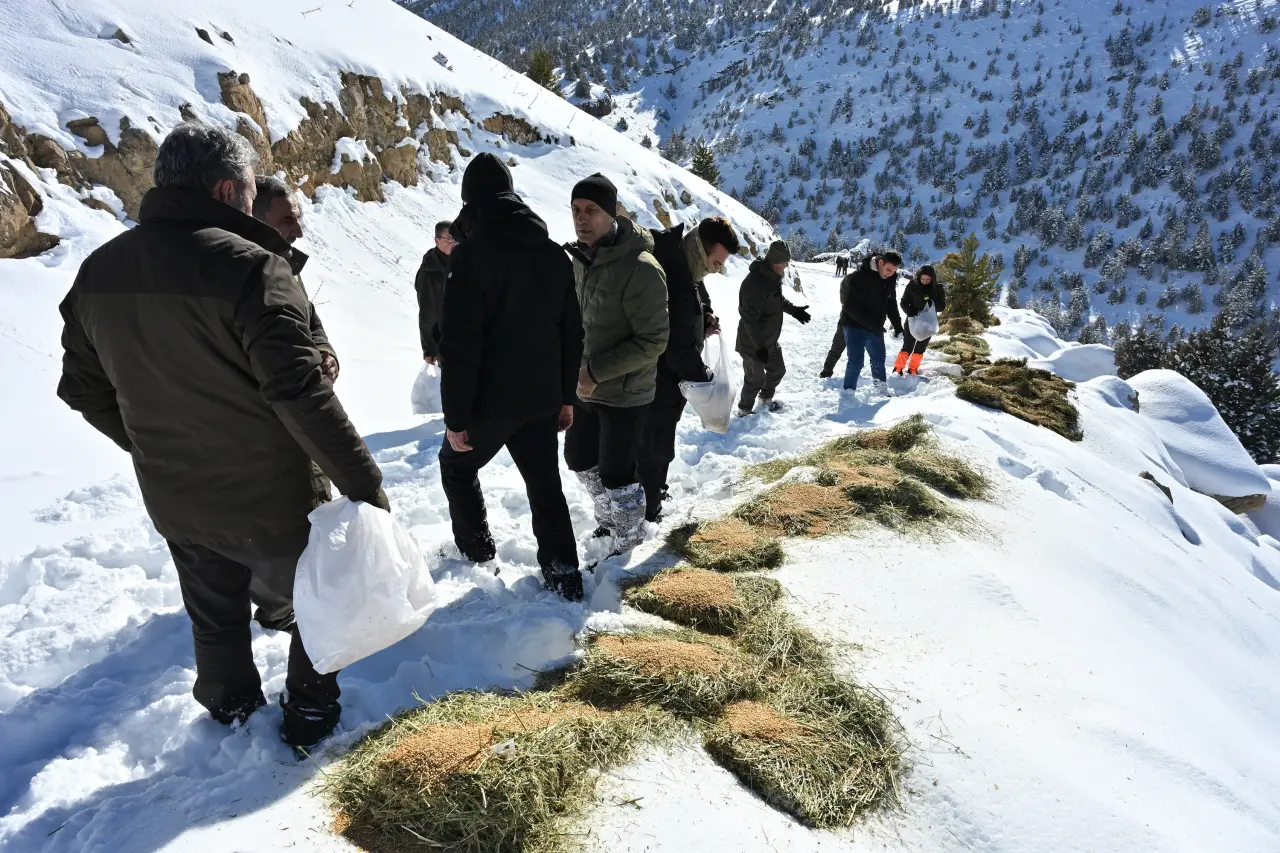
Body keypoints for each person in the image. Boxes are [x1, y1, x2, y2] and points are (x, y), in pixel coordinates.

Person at [57, 123, 387, 749]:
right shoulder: (251, 267)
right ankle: (310, 712)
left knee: (214, 613)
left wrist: (152, 442)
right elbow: (300, 394)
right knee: (319, 598)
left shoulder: (99, 271)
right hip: (271, 494)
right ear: (230, 189)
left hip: (175, 493)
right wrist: (365, 485)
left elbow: (82, 389)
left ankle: (231, 712)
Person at [437, 153, 586, 600]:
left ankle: (477, 552)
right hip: (541, 398)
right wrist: (564, 398)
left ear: (471, 203)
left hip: (490, 403)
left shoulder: (471, 258)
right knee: (545, 487)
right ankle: (564, 576)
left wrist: (456, 416)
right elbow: (571, 334)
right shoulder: (553, 254)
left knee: (456, 466)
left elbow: (460, 345)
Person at [563, 173, 669, 556]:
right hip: (585, 385)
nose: (582, 218)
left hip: (625, 392)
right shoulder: (581, 260)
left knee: (617, 475)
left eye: (592, 210)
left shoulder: (641, 267)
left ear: (612, 215)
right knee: (577, 458)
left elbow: (654, 340)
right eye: (576, 210)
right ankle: (610, 526)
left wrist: (595, 371)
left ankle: (628, 547)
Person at [640, 216, 740, 522]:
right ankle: (648, 504)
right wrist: (707, 382)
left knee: (659, 441)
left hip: (668, 378)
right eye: (715, 261)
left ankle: (654, 489)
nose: (716, 269)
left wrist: (705, 316)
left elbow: (698, 298)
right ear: (699, 249)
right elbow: (676, 349)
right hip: (656, 378)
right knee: (653, 445)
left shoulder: (686, 267)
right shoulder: (671, 274)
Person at [252, 175, 339, 383]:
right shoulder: (245, 275)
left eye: (297, 219)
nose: (298, 232)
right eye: (287, 220)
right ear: (255, 220)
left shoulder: (285, 264)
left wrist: (325, 352)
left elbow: (308, 314)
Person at [736, 239, 810, 415]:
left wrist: (795, 311)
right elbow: (749, 318)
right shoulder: (755, 282)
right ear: (775, 262)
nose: (786, 266)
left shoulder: (772, 277)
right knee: (755, 379)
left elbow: (777, 301)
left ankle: (765, 400)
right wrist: (759, 347)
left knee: (777, 370)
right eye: (784, 262)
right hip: (752, 342)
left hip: (769, 340)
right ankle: (744, 410)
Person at [840, 250, 904, 393]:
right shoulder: (860, 277)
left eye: (894, 271)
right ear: (880, 262)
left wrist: (898, 326)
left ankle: (881, 391)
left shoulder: (890, 279)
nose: (890, 273)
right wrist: (872, 325)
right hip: (854, 324)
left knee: (878, 360)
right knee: (856, 362)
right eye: (888, 269)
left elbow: (891, 303)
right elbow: (849, 306)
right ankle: (848, 395)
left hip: (875, 326)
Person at [415, 220, 455, 365]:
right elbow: (427, 311)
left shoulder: (458, 260)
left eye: (457, 238)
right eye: (450, 238)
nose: (454, 242)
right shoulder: (429, 273)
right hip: (444, 342)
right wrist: (429, 348)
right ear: (437, 241)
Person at [895, 264, 945, 376]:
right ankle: (898, 367)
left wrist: (932, 303)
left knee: (921, 346)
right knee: (908, 344)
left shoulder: (938, 289)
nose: (925, 281)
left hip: (928, 322)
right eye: (922, 279)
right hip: (913, 319)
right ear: (919, 277)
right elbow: (903, 301)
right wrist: (909, 310)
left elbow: (942, 306)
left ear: (932, 279)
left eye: (928, 279)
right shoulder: (913, 285)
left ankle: (913, 368)